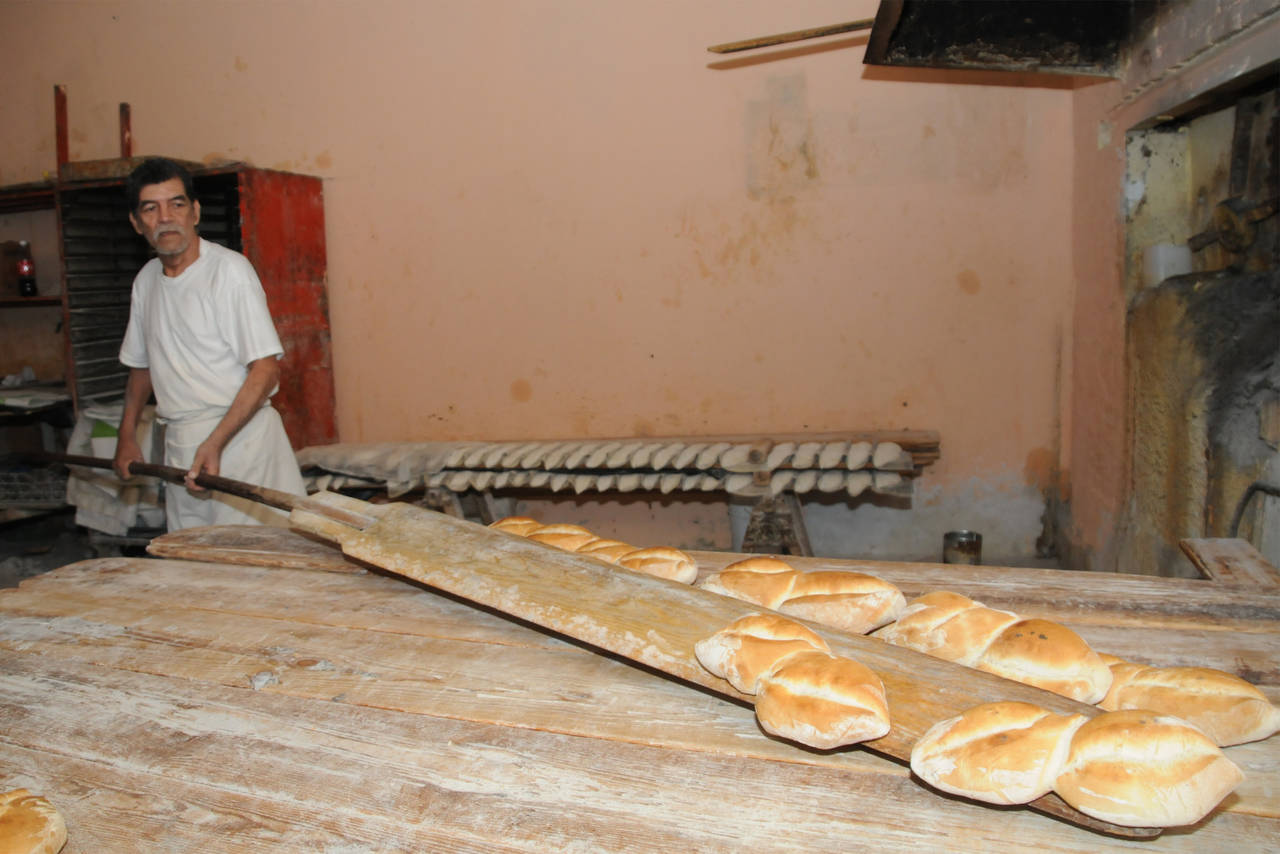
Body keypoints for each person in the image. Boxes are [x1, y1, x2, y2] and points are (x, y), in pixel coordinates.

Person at [112, 157, 305, 530]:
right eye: (151, 209)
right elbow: (142, 368)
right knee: (192, 556)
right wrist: (126, 435)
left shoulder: (228, 272)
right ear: (136, 222)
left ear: (195, 212)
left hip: (242, 443)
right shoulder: (146, 281)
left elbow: (265, 370)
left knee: (252, 557)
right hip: (181, 444)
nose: (165, 218)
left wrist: (216, 442)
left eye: (176, 204)